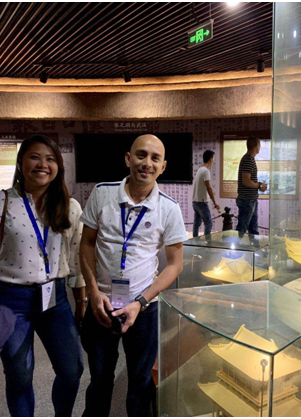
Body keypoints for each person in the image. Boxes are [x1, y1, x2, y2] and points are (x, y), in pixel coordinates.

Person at [0, 135, 85, 417]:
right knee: (19, 376)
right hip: (10, 301)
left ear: (58, 167)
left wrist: (81, 301)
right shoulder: (0, 202)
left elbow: (77, 258)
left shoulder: (70, 206)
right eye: (35, 157)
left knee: (72, 370)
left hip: (55, 299)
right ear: (21, 163)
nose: (43, 164)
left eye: (50, 159)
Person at [79, 134, 187, 417]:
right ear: (128, 158)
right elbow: (86, 244)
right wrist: (93, 292)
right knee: (99, 379)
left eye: (155, 158)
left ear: (163, 166)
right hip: (101, 303)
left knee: (140, 382)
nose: (147, 163)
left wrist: (141, 302)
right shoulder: (102, 194)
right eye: (141, 155)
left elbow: (175, 265)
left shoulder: (169, 208)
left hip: (144, 308)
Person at [236, 136, 267, 235]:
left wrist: (259, 185)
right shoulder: (248, 160)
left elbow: (248, 180)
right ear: (257, 146)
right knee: (242, 229)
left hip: (250, 200)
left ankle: (253, 245)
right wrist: (259, 186)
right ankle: (237, 245)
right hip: (247, 200)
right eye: (259, 145)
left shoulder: (249, 159)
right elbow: (246, 181)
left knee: (253, 230)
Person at [192, 149, 220, 237]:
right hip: (202, 202)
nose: (213, 162)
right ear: (210, 159)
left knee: (196, 223)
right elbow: (209, 188)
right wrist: (215, 203)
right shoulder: (206, 171)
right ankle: (207, 242)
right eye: (213, 159)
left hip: (195, 201)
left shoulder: (200, 170)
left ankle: (194, 241)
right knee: (209, 223)